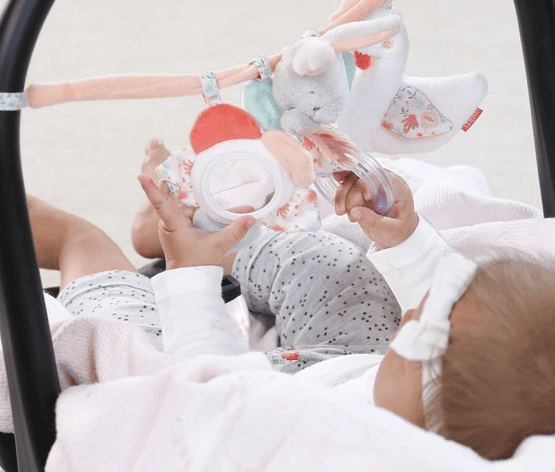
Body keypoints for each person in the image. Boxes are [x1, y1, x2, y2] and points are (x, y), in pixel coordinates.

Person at [28, 141, 555, 461]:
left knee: (128, 342)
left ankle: (77, 239)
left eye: (414, 327)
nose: (410, 312)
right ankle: (206, 229)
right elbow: (447, 315)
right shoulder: (425, 396)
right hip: (355, 361)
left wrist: (190, 278)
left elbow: (208, 393)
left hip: (271, 390)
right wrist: (404, 236)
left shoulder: (311, 440)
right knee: (335, 266)